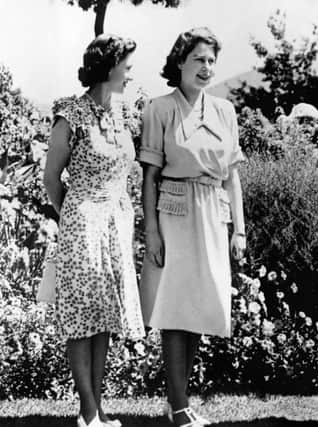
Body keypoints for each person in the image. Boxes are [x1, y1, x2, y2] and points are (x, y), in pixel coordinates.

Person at [138, 27, 246, 427]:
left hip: (213, 215)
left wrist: (240, 229)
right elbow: (149, 177)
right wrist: (151, 231)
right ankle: (179, 404)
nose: (206, 68)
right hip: (174, 212)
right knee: (175, 308)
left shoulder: (225, 111)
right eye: (199, 59)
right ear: (180, 61)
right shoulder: (159, 109)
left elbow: (233, 176)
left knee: (200, 307)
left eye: (212, 61)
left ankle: (177, 402)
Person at [43, 34, 144, 427]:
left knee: (104, 315)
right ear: (109, 65)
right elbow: (52, 177)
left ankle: (98, 408)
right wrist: (74, 214)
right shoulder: (71, 113)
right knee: (81, 315)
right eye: (127, 64)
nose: (131, 72)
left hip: (117, 220)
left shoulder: (122, 113)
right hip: (83, 219)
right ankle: (87, 411)